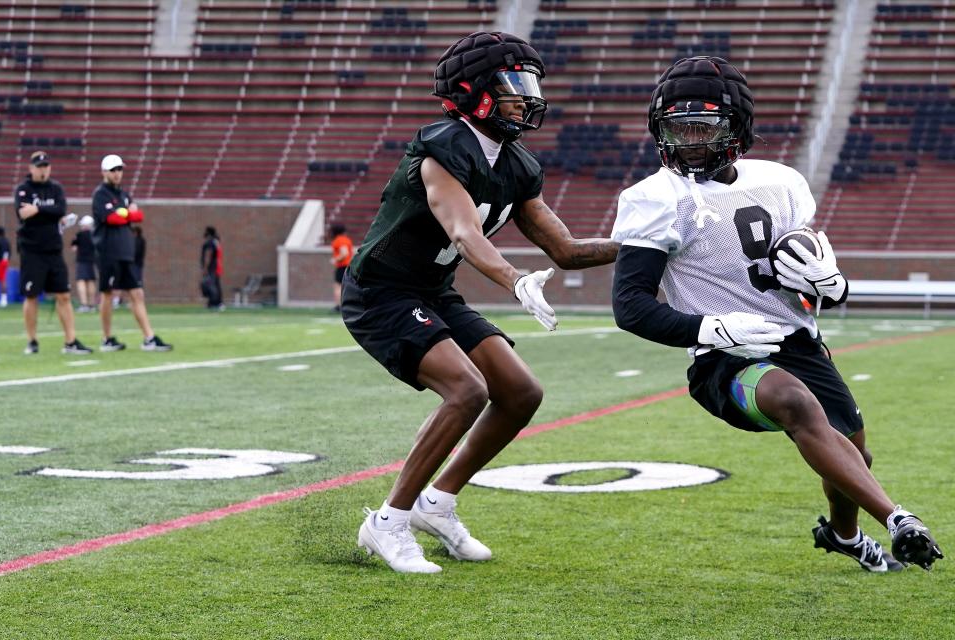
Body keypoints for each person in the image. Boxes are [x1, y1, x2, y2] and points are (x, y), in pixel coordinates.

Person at [611, 56, 943, 573]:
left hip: (797, 342)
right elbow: (630, 306)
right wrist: (713, 327)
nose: (690, 142)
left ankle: (844, 534)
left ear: (736, 130)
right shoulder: (655, 197)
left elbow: (810, 288)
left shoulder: (781, 181)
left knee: (856, 457)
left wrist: (832, 286)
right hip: (723, 357)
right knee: (794, 403)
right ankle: (899, 519)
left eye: (704, 128)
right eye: (678, 129)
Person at [344, 32, 618, 573]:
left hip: (432, 291)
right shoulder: (443, 145)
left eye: (529, 84)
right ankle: (388, 522)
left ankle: (437, 503)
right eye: (514, 85)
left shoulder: (516, 164)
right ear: (474, 92)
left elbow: (565, 249)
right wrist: (515, 280)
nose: (526, 97)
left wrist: (653, 246)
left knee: (520, 392)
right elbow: (466, 233)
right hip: (381, 291)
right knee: (467, 389)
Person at [13, 151, 92, 354]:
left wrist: (38, 211)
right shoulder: (23, 189)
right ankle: (32, 341)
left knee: (64, 295)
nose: (43, 170)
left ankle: (71, 341)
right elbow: (22, 213)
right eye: (39, 166)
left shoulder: (56, 188)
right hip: (32, 250)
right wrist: (50, 214)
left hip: (53, 250)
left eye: (46, 166)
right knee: (31, 296)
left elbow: (60, 210)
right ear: (31, 168)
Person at [92, 153, 172, 352]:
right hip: (108, 251)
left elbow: (138, 216)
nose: (117, 173)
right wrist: (127, 213)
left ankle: (149, 337)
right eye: (113, 170)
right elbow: (111, 218)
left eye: (119, 169)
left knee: (137, 293)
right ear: (104, 172)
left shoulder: (124, 195)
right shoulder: (100, 194)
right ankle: (107, 338)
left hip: (126, 251)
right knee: (108, 294)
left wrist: (125, 213)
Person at [71, 215, 97, 312]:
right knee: (91, 281)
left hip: (81, 260)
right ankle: (92, 305)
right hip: (91, 261)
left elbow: (74, 248)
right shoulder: (95, 235)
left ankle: (84, 304)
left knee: (81, 281)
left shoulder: (79, 235)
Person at [329, 223, 353, 311]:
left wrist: (335, 259)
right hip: (348, 266)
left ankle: (338, 306)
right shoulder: (346, 239)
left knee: (338, 287)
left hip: (343, 266)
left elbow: (344, 253)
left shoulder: (339, 240)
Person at [200, 226, 223, 310]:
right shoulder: (216, 242)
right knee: (215, 285)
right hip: (217, 267)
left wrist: (205, 268)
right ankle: (216, 303)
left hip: (212, 268)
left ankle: (214, 303)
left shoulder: (210, 242)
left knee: (210, 286)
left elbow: (208, 255)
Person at [0, 226, 10, 307]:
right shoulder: (7, 241)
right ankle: (4, 300)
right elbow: (8, 252)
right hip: (5, 262)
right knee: (3, 281)